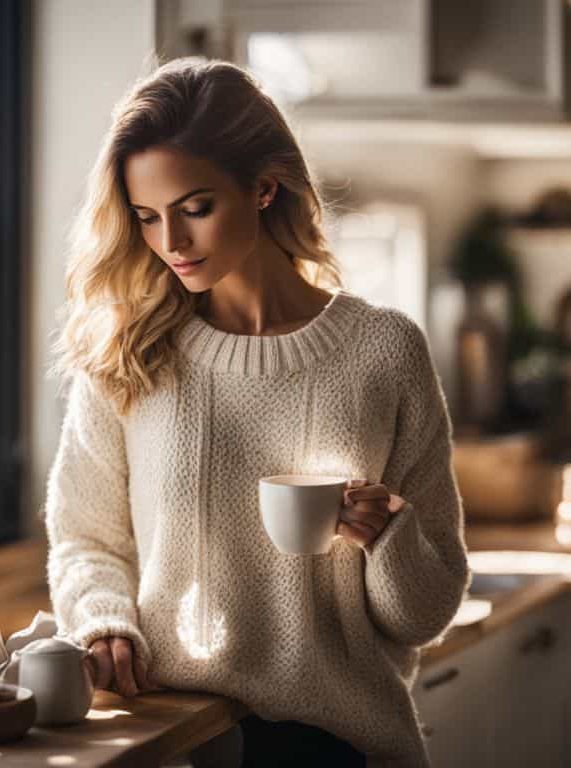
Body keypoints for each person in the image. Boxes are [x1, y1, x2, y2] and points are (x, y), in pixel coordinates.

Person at [43, 58, 470, 768]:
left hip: (341, 745)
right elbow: (85, 538)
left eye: (194, 208)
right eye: (147, 218)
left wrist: (387, 535)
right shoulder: (130, 351)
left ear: (264, 187)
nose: (170, 243)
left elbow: (425, 614)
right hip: (173, 737)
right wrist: (102, 621)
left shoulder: (384, 351)